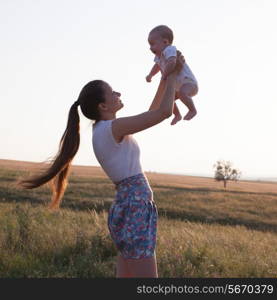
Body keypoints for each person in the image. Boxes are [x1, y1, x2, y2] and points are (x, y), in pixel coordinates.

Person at [18, 52, 184, 278]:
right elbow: (163, 113)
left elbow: (152, 113)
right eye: (113, 92)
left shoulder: (106, 129)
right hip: (134, 207)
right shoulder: (111, 130)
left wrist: (165, 78)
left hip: (129, 205)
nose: (118, 93)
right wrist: (174, 77)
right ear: (103, 105)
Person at [146, 25, 199, 125]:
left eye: (153, 44)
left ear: (165, 42)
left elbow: (172, 63)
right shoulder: (159, 57)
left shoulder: (169, 50)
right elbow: (156, 67)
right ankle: (177, 115)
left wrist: (164, 75)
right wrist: (150, 75)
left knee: (183, 93)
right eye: (150, 45)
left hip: (188, 82)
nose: (150, 48)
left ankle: (192, 110)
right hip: (178, 87)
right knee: (168, 99)